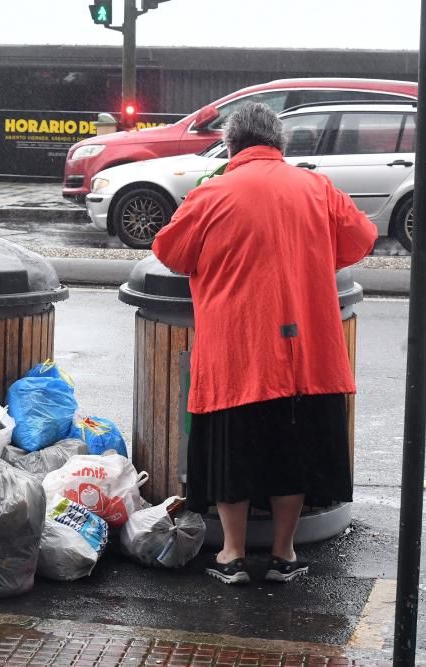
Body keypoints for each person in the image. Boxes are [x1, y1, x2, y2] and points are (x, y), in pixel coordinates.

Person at [152, 102, 377, 586]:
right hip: (303, 355)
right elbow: (362, 238)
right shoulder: (317, 188)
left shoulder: (210, 194)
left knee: (232, 452)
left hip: (236, 351)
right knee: (290, 452)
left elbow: (170, 251)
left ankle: (232, 555)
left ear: (231, 146)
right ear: (279, 144)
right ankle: (284, 553)